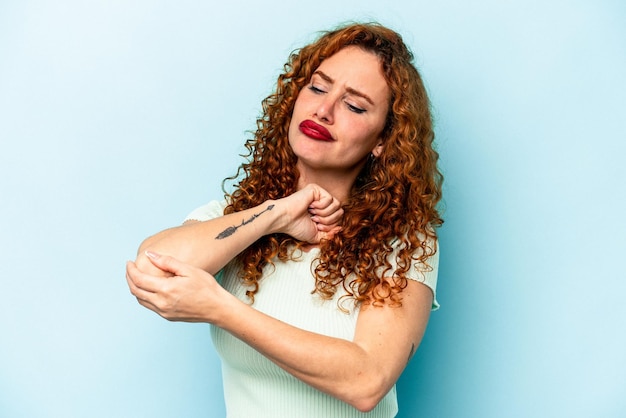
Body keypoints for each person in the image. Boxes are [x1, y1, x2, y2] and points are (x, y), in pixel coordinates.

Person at [126, 22, 443, 417]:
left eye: (355, 105)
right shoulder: (240, 215)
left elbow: (366, 380)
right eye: (318, 87)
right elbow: (151, 267)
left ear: (383, 140)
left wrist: (221, 309)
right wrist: (276, 212)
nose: (323, 110)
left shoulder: (405, 241)